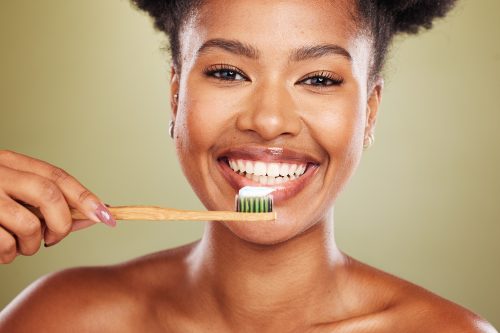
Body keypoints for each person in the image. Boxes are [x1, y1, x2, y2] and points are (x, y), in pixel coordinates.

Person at [0, 0, 497, 331]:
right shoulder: (60, 318)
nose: (269, 120)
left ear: (370, 111)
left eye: (320, 79)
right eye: (227, 72)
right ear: (175, 95)